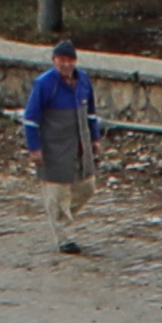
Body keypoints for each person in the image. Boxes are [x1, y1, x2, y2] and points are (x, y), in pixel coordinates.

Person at [21, 38, 99, 251]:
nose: (66, 64)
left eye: (70, 60)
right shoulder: (44, 84)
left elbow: (91, 113)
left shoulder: (83, 80)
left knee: (87, 186)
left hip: (79, 146)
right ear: (54, 61)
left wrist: (94, 138)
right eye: (61, 60)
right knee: (57, 193)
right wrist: (35, 148)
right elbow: (30, 119)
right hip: (53, 147)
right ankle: (64, 238)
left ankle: (64, 219)